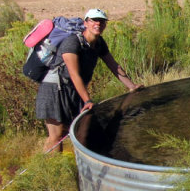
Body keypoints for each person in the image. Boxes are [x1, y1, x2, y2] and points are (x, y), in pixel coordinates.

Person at [35, 8, 142, 152]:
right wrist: (87, 100)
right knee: (57, 134)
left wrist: (132, 86)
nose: (98, 24)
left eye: (102, 21)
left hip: (74, 90)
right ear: (86, 23)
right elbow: (74, 74)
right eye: (94, 20)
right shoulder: (72, 42)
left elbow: (113, 65)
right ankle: (50, 170)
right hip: (55, 89)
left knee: (81, 130)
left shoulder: (99, 43)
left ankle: (78, 165)